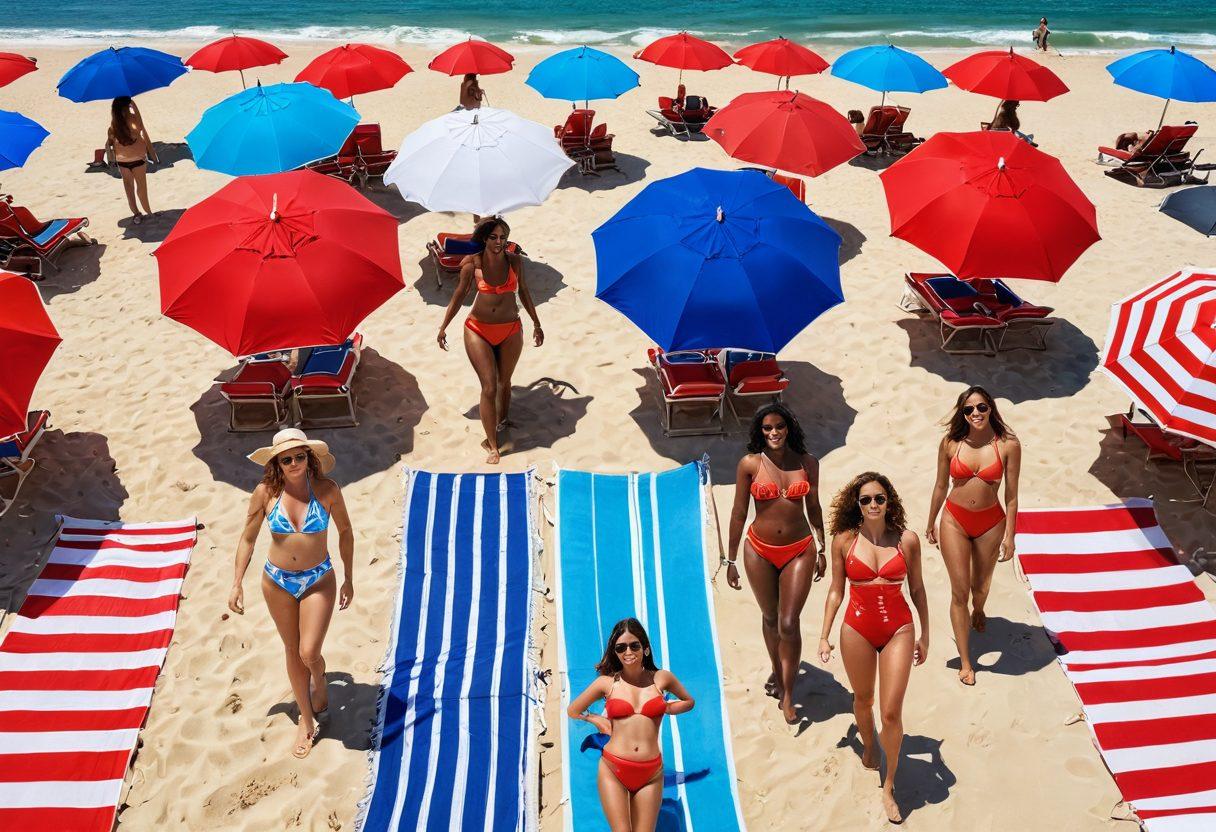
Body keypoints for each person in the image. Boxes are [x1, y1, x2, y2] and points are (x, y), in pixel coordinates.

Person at [228, 429, 355, 759]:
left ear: (310, 458)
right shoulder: (265, 493)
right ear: (277, 464)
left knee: (309, 652)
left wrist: (349, 578)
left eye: (300, 456)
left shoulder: (327, 490)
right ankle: (307, 720)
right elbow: (247, 539)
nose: (294, 463)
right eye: (287, 459)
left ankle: (319, 679)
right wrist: (237, 582)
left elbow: (345, 532)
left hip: (318, 579)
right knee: (291, 649)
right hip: (277, 581)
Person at [819, 472, 929, 825]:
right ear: (857, 504)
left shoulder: (907, 540)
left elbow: (918, 590)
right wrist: (824, 634)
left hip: (899, 628)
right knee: (863, 699)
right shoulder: (844, 540)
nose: (873, 504)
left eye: (879, 498)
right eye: (865, 499)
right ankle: (868, 743)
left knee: (891, 713)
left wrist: (925, 635)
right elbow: (836, 590)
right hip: (857, 628)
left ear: (889, 501)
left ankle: (889, 785)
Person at [726, 403, 827, 724]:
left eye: (779, 426)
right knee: (770, 618)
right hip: (758, 549)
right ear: (760, 431)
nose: (774, 433)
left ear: (788, 428)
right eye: (767, 428)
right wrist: (729, 559)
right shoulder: (750, 464)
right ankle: (779, 672)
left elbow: (814, 506)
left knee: (788, 622)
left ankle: (788, 692)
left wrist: (822, 547)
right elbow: (739, 512)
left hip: (800, 548)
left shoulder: (808, 463)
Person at [925, 386, 1021, 686]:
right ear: (962, 414)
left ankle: (978, 609)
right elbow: (940, 485)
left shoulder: (1008, 445)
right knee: (960, 591)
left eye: (981, 407)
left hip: (991, 523)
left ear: (990, 408)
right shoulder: (951, 443)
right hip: (954, 520)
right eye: (968, 409)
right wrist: (930, 521)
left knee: (980, 586)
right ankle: (967, 661)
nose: (975, 413)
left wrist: (1010, 536)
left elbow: (1012, 497)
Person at [567, 618, 694, 832]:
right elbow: (573, 710)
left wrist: (667, 707)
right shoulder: (607, 683)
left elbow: (689, 701)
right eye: (621, 647)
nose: (628, 651)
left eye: (634, 645)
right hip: (613, 768)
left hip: (651, 772)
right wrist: (597, 719)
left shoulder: (661, 678)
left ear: (645, 649)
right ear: (615, 652)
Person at [437, 216, 543, 464]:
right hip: (478, 329)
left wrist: (537, 323)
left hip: (511, 327)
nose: (499, 242)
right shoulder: (472, 263)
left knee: (505, 382)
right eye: (494, 237)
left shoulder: (515, 261)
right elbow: (458, 296)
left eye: (503, 237)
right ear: (484, 239)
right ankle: (492, 444)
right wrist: (443, 327)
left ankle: (503, 420)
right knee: (489, 386)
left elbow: (524, 291)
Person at [105, 96, 158, 225]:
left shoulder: (113, 125)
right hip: (137, 159)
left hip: (122, 160)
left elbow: (111, 142)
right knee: (141, 187)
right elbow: (140, 127)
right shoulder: (133, 119)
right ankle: (148, 212)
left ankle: (136, 214)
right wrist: (134, 106)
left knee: (129, 188)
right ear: (127, 107)